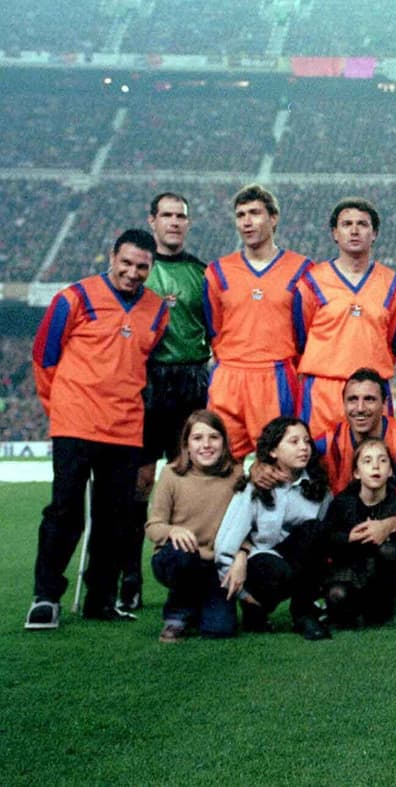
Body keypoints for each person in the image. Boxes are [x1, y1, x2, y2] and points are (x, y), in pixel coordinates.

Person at [27, 229, 169, 629]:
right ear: (112, 257)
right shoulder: (75, 297)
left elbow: (142, 365)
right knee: (65, 511)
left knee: (115, 519)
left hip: (125, 430)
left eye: (142, 267)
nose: (133, 272)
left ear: (151, 267)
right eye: (126, 263)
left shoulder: (158, 311)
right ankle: (45, 597)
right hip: (75, 425)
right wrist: (61, 410)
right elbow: (44, 356)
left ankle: (100, 599)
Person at [121, 192, 210, 613]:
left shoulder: (200, 272)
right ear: (152, 220)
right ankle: (129, 576)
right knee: (139, 482)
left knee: (187, 481)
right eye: (167, 215)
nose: (174, 222)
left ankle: (185, 572)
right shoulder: (138, 269)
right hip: (147, 381)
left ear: (187, 224)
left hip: (191, 380)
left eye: (181, 216)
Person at [310, 369, 396, 631]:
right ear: (343, 404)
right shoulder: (328, 441)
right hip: (351, 536)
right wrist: (265, 467)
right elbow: (290, 456)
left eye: (369, 399)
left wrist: (388, 525)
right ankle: (318, 594)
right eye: (353, 400)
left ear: (384, 404)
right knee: (309, 526)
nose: (360, 408)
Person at [203, 183, 311, 459]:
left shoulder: (302, 269)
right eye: (241, 215)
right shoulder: (218, 271)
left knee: (278, 466)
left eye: (255, 213)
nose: (247, 222)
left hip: (275, 376)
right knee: (221, 466)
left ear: (273, 218)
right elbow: (213, 327)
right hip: (229, 376)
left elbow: (307, 331)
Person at [214, 417, 332, 639]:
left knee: (315, 529)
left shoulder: (319, 490)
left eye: (306, 442)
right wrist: (242, 593)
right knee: (275, 569)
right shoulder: (254, 487)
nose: (303, 448)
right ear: (274, 451)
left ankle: (304, 614)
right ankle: (255, 608)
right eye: (294, 442)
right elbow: (225, 544)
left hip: (296, 561)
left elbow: (320, 546)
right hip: (260, 563)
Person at [296, 197, 396, 438]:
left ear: (374, 233)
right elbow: (300, 337)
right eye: (346, 224)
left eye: (362, 224)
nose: (354, 230)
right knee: (319, 465)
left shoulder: (394, 284)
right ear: (335, 233)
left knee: (373, 464)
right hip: (323, 389)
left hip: (372, 389)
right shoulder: (312, 281)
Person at [316, 437, 396, 638]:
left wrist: (385, 538)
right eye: (367, 461)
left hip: (381, 583)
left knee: (389, 554)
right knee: (338, 598)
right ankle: (325, 609)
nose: (375, 466)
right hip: (347, 576)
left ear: (391, 471)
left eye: (382, 460)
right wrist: (348, 538)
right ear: (356, 473)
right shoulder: (342, 503)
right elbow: (324, 539)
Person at [146, 410, 240, 642]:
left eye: (213, 437)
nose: (206, 445)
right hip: (177, 559)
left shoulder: (236, 475)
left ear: (224, 442)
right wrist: (172, 530)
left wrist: (242, 555)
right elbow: (153, 526)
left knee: (220, 630)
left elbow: (247, 522)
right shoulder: (171, 474)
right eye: (197, 438)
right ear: (186, 444)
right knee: (183, 555)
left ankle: (200, 605)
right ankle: (176, 616)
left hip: (214, 566)